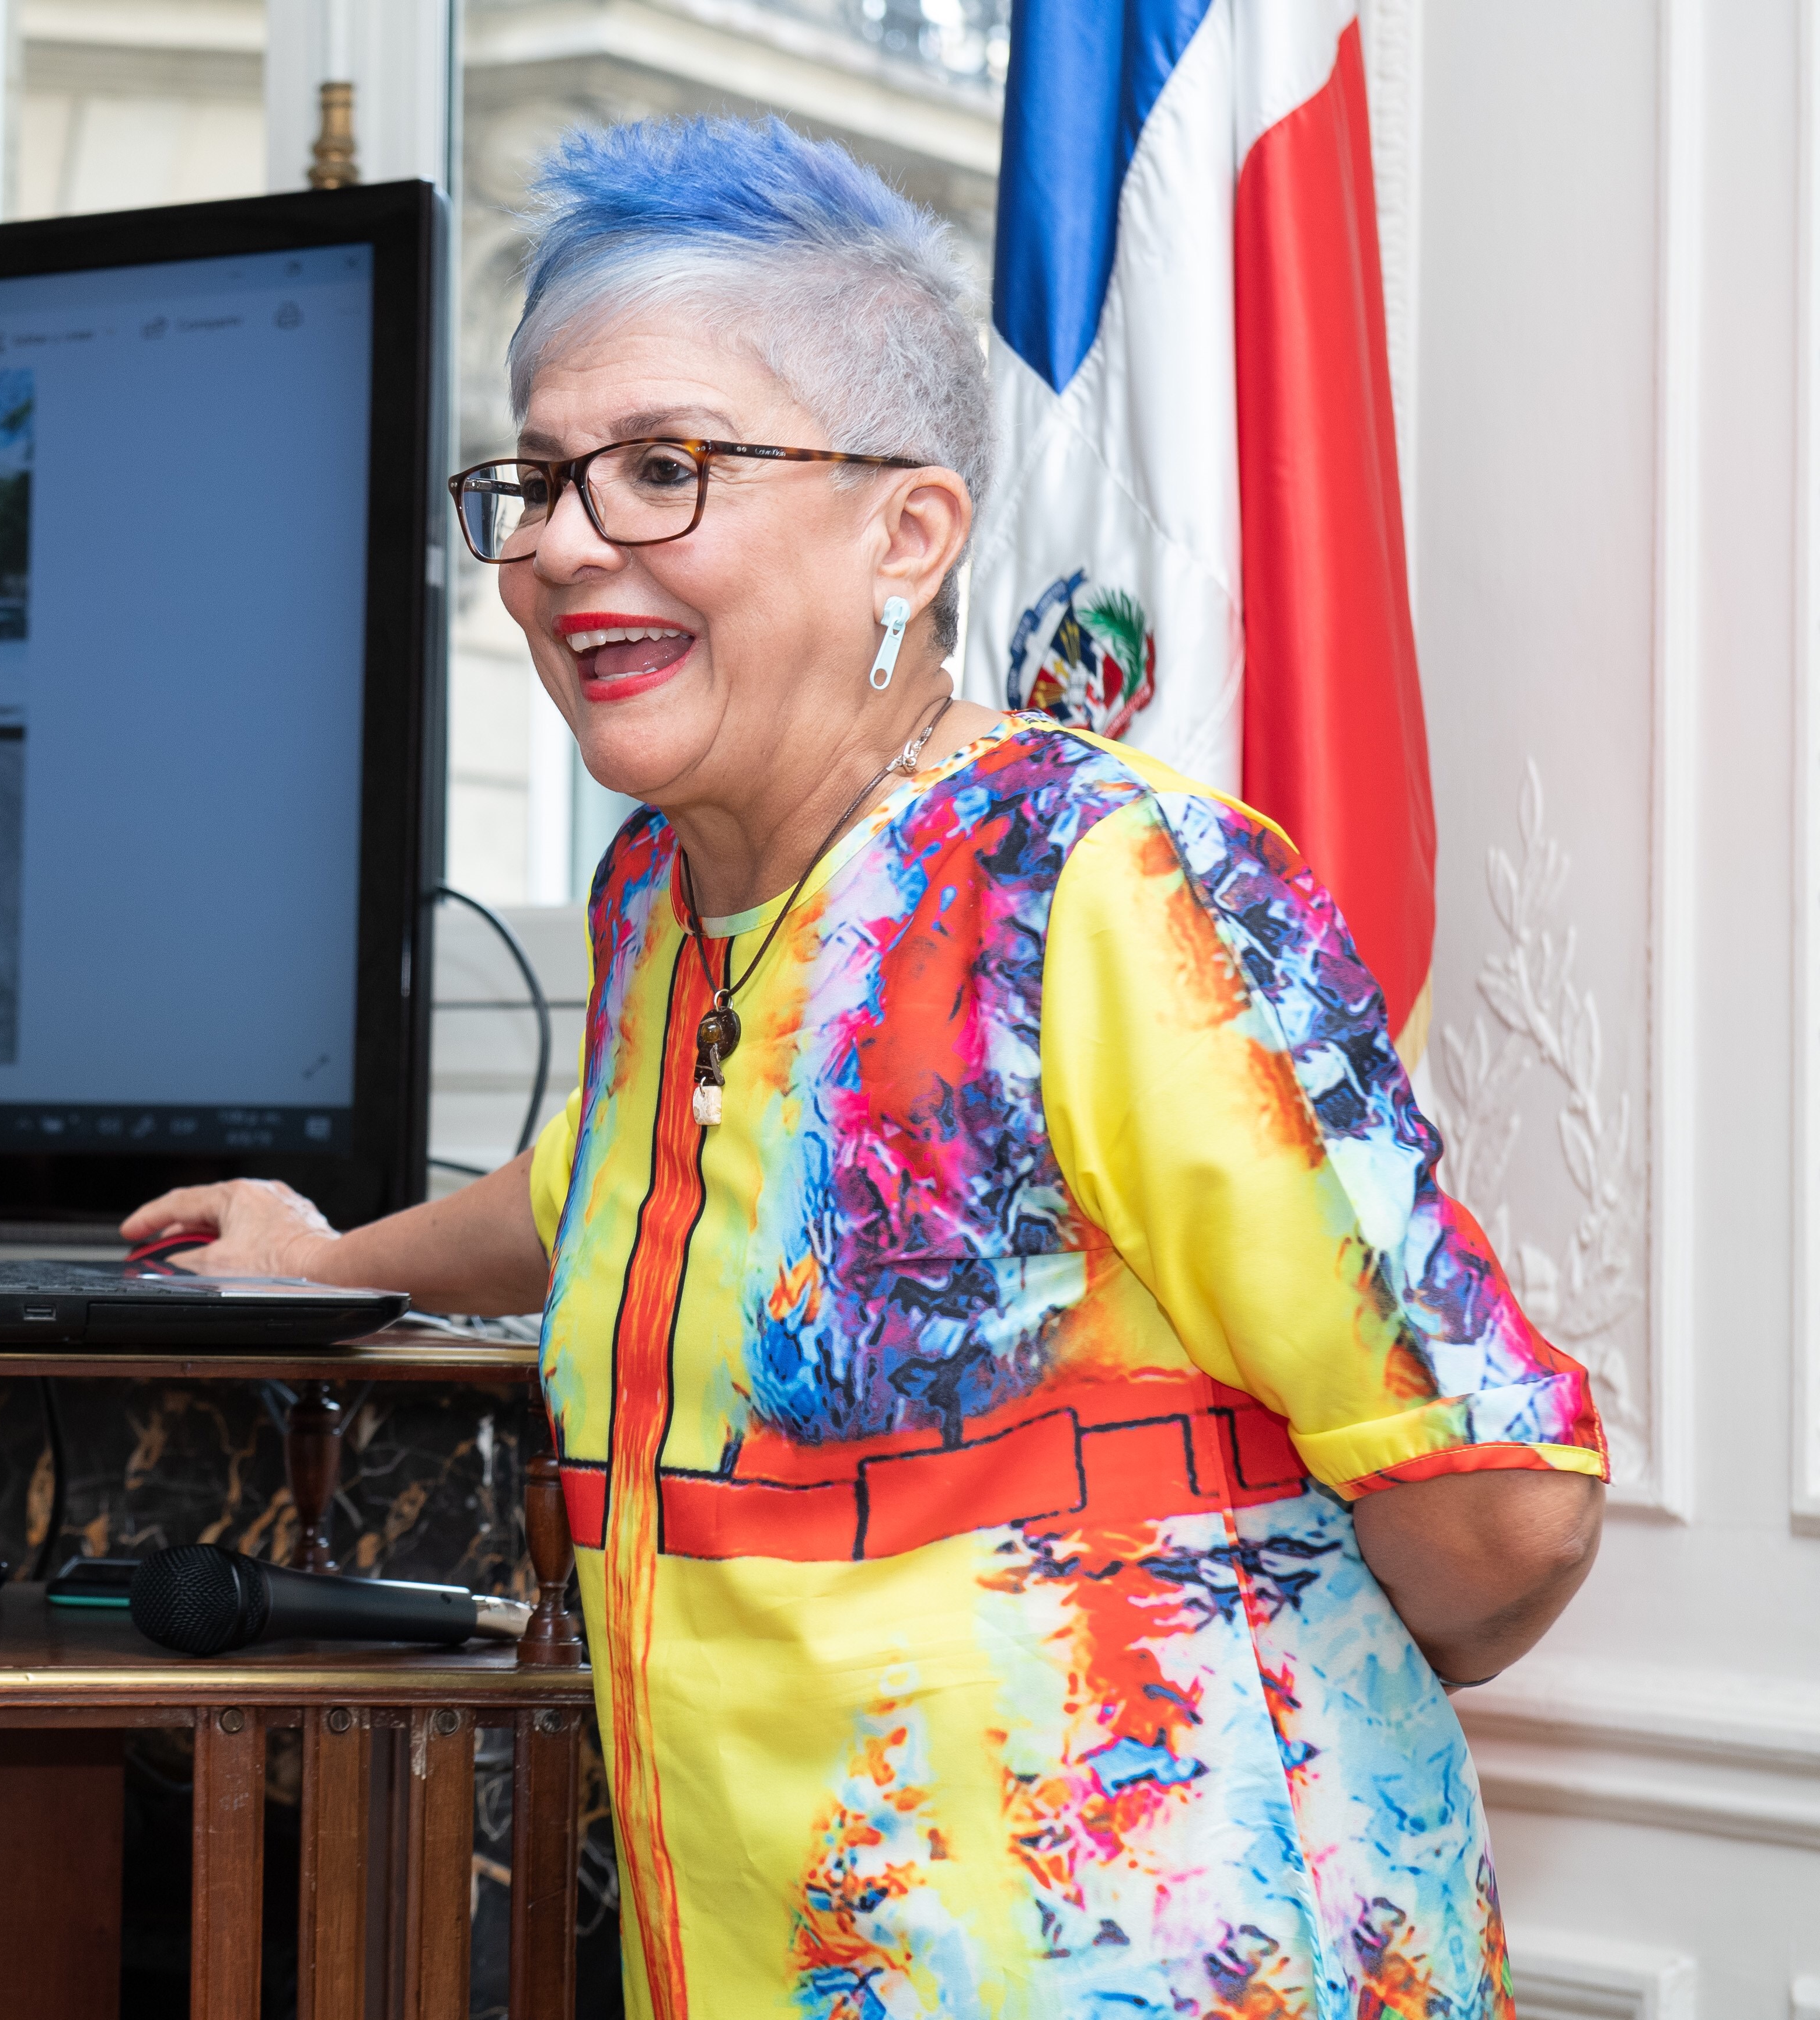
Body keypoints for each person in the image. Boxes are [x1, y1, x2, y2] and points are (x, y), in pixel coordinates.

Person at [125, 117, 1605, 2016]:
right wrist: (329, 1265)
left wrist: (1246, 1685)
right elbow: (625, 1190)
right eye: (542, 478)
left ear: (907, 531)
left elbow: (1503, 1507)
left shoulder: (1099, 881)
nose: (567, 543)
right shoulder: (663, 897)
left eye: (665, 468)